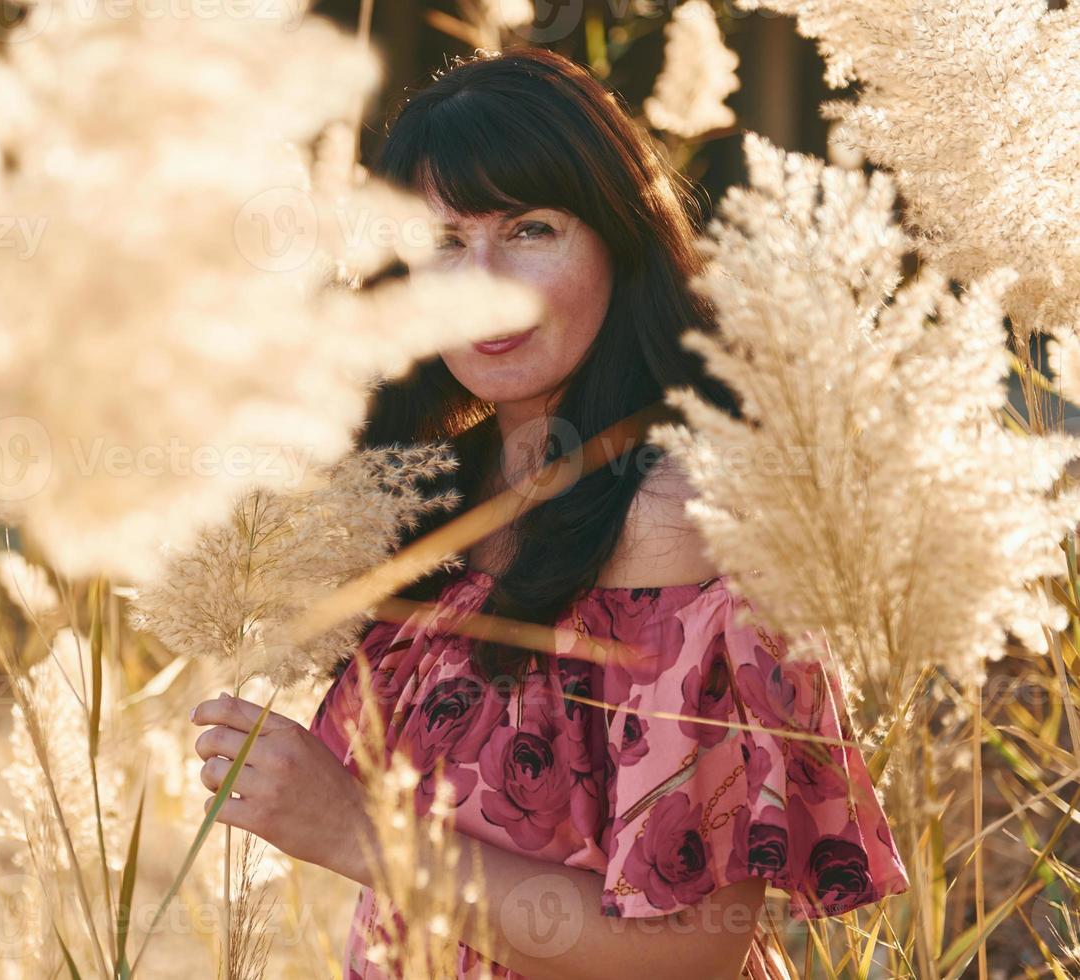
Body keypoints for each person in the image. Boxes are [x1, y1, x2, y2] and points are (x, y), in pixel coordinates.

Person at [190, 48, 907, 979]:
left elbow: (686, 954)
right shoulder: (453, 488)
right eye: (444, 242)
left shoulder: (676, 518)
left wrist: (356, 832)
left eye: (530, 229)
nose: (484, 280)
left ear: (620, 238)